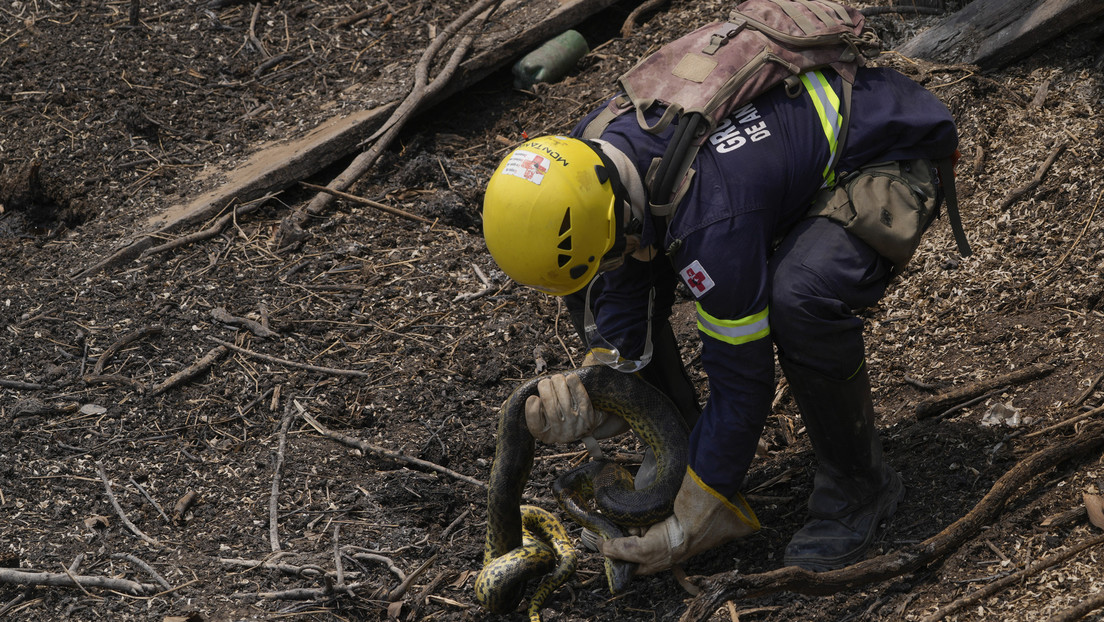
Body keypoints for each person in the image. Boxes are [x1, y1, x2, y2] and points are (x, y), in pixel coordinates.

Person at [481, 59, 959, 575]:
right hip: (762, 177)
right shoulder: (581, 160)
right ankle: (679, 453)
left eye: (615, 251)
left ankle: (861, 487)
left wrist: (696, 515)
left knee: (798, 297)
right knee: (616, 275)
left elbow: (743, 379)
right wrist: (607, 384)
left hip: (886, 151)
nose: (614, 264)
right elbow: (615, 285)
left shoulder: (714, 216)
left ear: (624, 222)